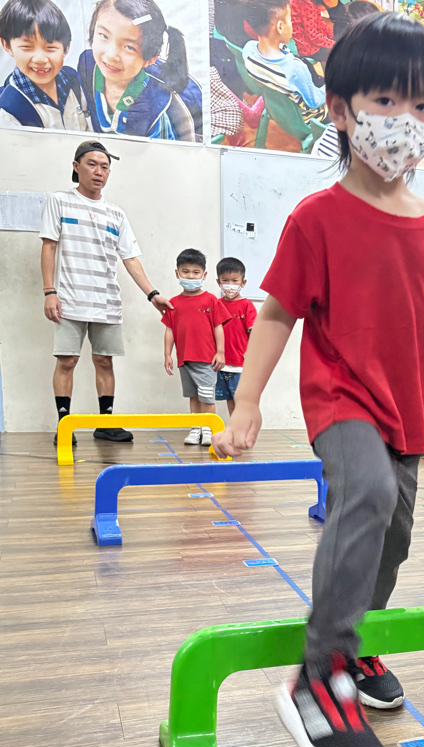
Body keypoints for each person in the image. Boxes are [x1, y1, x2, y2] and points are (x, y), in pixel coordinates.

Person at [211, 12, 424, 747]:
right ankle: (319, 671)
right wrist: (247, 401)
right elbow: (277, 312)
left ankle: (359, 643)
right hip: (341, 399)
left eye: (423, 107)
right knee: (365, 494)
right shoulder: (318, 218)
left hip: (407, 412)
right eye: (386, 102)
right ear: (341, 109)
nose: (405, 122)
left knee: (393, 537)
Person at [41, 140, 172, 446]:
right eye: (92, 164)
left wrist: (152, 294)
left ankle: (106, 424)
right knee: (67, 361)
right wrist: (49, 292)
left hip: (106, 302)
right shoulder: (59, 201)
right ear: (76, 167)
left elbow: (130, 259)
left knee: (104, 361)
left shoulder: (116, 214)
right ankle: (64, 425)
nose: (99, 171)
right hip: (68, 300)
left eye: (105, 166)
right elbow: (48, 247)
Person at [78, 0, 203, 141]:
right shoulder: (87, 65)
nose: (111, 55)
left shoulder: (152, 104)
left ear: (150, 59)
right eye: (104, 36)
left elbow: (164, 152)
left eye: (129, 47)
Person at [162, 249, 229, 447]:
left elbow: (218, 327)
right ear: (177, 273)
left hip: (206, 359)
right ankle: (196, 429)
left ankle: (208, 430)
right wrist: (167, 354)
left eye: (195, 272)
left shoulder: (211, 300)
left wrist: (220, 352)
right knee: (193, 396)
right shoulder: (173, 304)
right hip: (185, 360)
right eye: (185, 271)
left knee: (207, 397)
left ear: (204, 275)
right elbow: (169, 330)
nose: (190, 276)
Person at [0, 0, 90, 130]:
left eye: (50, 48)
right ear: (7, 46)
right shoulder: (9, 109)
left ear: (66, 48)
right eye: (27, 47)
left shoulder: (73, 80)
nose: (40, 59)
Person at [242, 0, 327, 122]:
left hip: (279, 110)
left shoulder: (249, 50)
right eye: (290, 20)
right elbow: (314, 102)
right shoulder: (295, 68)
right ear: (280, 27)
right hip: (307, 118)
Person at [215, 257, 257, 416]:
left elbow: (254, 333)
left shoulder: (247, 306)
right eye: (225, 281)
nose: (230, 285)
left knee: (242, 400)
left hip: (241, 364)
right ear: (218, 282)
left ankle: (244, 427)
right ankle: (234, 426)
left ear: (243, 282)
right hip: (222, 364)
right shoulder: (216, 304)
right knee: (230, 399)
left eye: (234, 281)